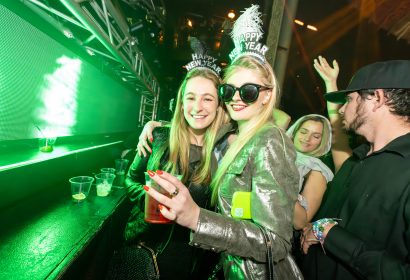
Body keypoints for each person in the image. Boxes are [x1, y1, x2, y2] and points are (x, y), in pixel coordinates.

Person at [143, 5, 303, 279]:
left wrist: (196, 218)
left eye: (249, 91)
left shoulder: (269, 141)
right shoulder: (242, 138)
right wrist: (156, 124)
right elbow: (194, 122)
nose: (237, 98)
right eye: (229, 90)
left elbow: (276, 243)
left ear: (267, 95)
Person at [107, 51, 229, 280]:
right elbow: (130, 178)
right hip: (143, 252)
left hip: (192, 264)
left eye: (208, 98)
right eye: (191, 97)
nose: (198, 107)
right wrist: (147, 197)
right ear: (181, 102)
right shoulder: (159, 136)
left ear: (219, 105)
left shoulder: (225, 153)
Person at [301, 59, 410, 279]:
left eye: (349, 100)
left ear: (377, 98)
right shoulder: (356, 160)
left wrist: (332, 236)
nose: (341, 109)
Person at [286, 114, 333, 230]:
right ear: (294, 132)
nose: (307, 138)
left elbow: (300, 223)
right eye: (303, 132)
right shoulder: (276, 153)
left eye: (316, 136)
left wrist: (280, 183)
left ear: (322, 141)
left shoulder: (318, 172)